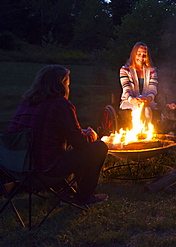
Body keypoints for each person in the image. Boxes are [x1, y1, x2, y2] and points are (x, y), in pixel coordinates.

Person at [7, 65, 109, 206]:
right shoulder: (60, 104)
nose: (68, 89)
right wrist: (91, 135)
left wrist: (80, 132)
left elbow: (46, 131)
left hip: (19, 171)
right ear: (61, 84)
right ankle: (83, 197)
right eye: (68, 84)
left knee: (65, 150)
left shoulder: (26, 103)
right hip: (45, 172)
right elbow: (79, 144)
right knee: (98, 148)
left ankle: (65, 191)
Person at [119, 42, 159, 129]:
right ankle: (141, 132)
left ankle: (145, 133)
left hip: (146, 100)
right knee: (144, 110)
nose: (141, 57)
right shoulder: (125, 70)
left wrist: (149, 98)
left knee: (146, 108)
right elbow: (126, 88)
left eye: (144, 55)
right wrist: (132, 100)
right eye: (139, 54)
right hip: (129, 101)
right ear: (134, 54)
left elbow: (153, 88)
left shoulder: (152, 70)